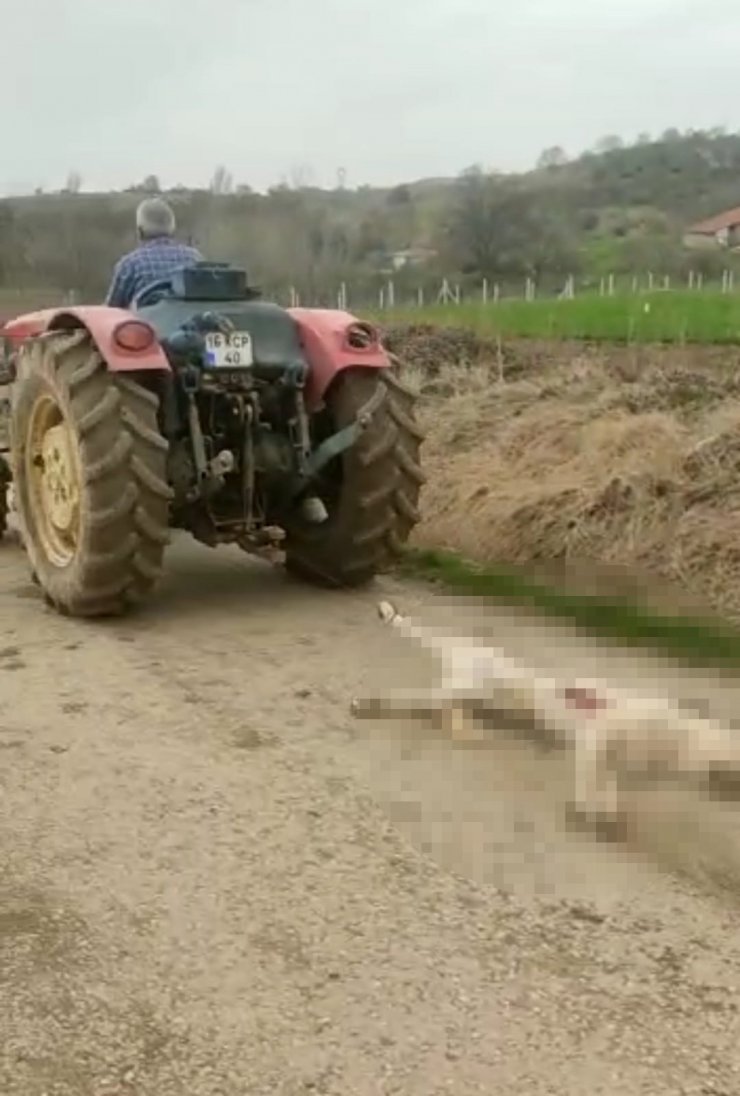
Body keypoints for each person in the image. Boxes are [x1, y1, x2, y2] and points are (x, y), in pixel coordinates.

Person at [105, 197, 202, 309]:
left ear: (140, 231)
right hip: (187, 325)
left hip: (146, 325)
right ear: (172, 228)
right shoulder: (195, 258)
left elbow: (111, 311)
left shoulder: (130, 265)